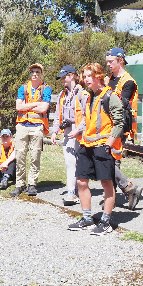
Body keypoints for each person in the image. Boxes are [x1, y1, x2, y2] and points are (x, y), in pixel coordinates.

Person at [67, 62, 123, 235]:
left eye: (89, 75)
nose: (86, 79)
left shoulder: (110, 96)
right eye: (84, 76)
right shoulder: (89, 96)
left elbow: (119, 123)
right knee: (81, 181)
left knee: (107, 183)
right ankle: (87, 218)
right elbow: (88, 120)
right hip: (87, 145)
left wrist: (108, 143)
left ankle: (105, 222)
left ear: (99, 76)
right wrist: (77, 131)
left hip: (102, 146)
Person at [105, 47, 141, 210]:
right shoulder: (109, 78)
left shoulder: (128, 82)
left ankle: (129, 188)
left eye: (111, 62)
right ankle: (116, 194)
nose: (108, 65)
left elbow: (120, 104)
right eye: (107, 62)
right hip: (107, 124)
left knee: (110, 160)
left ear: (120, 60)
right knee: (112, 161)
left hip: (120, 127)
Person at [10, 63, 52, 198]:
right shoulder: (23, 88)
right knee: (20, 155)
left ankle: (32, 184)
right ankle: (19, 184)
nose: (34, 74)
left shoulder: (46, 89)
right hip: (22, 125)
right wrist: (35, 104)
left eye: (37, 72)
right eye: (32, 72)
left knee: (35, 156)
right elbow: (18, 106)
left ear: (41, 74)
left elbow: (43, 108)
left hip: (37, 126)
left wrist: (26, 106)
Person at [50, 65, 90, 206]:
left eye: (64, 76)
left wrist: (78, 130)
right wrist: (54, 131)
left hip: (81, 133)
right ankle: (71, 192)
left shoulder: (83, 94)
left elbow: (87, 116)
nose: (62, 80)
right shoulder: (62, 95)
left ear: (72, 75)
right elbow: (57, 115)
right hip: (67, 132)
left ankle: (82, 190)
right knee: (69, 162)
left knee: (81, 162)